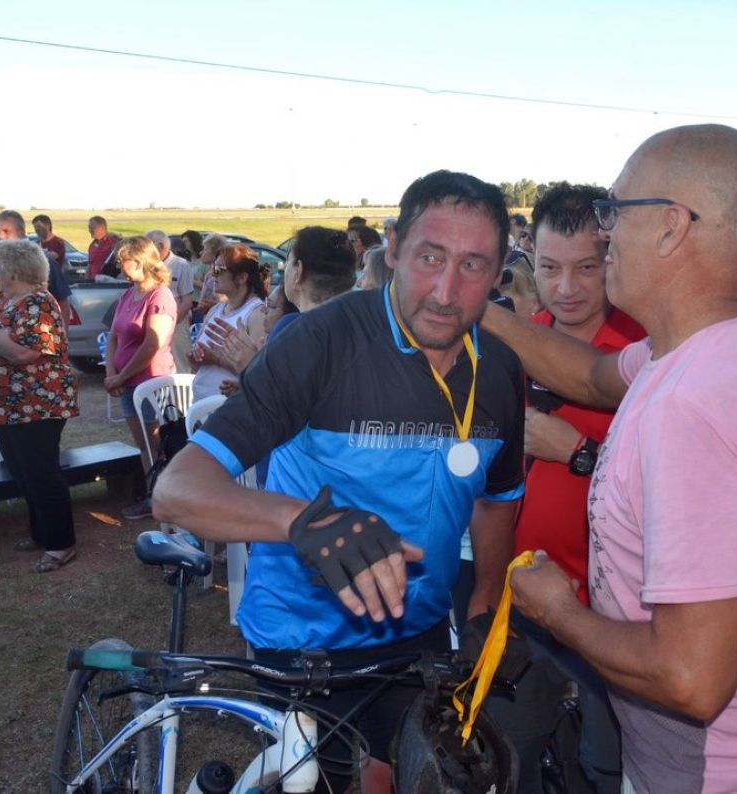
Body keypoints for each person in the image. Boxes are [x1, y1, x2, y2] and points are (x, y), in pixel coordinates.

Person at [481, 125, 737, 792]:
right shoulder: (735, 333)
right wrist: (487, 314)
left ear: (672, 227)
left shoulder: (691, 406)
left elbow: (691, 677)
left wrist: (558, 610)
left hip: (717, 770)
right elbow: (592, 377)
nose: (605, 232)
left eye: (616, 210)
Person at [154, 170, 525, 793]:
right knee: (315, 782)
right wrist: (306, 523)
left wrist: (485, 600)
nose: (445, 291)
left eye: (472, 265)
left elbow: (497, 497)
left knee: (415, 775)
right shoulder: (320, 341)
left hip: (418, 634)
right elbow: (177, 491)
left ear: (499, 270)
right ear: (393, 246)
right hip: (301, 636)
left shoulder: (500, 371)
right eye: (430, 257)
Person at [491, 182, 643, 793]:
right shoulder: (515, 343)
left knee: (606, 769)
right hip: (518, 598)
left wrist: (579, 453)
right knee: (515, 758)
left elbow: (673, 490)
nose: (567, 287)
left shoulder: (643, 353)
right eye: (550, 268)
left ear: (614, 258)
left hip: (611, 616)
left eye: (587, 267)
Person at [0, 239, 78, 572]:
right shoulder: (2, 302)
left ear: (16, 270)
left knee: (41, 472)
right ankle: (41, 533)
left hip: (36, 403)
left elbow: (23, 353)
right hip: (5, 405)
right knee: (22, 472)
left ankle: (61, 543)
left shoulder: (40, 303)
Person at [103, 236, 177, 521]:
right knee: (143, 443)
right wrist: (112, 374)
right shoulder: (128, 294)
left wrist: (121, 375)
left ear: (140, 260)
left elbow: (151, 345)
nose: (119, 266)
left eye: (123, 261)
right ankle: (152, 497)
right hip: (128, 384)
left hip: (151, 383)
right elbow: (113, 336)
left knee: (158, 444)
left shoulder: (160, 296)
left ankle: (166, 500)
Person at [189, 244, 268, 399]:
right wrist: (195, 357)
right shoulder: (216, 309)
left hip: (229, 406)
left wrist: (217, 359)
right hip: (201, 403)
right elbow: (196, 366)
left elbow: (258, 372)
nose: (212, 273)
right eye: (212, 267)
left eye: (219, 269)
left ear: (242, 278)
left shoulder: (257, 314)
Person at [0, 210, 72, 322]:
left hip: (40, 328)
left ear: (21, 233)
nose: (0, 236)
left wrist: (64, 332)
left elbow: (63, 305)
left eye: (6, 231)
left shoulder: (45, 263)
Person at [146, 230, 195, 373]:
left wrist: (170, 325)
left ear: (161, 246)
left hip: (177, 325)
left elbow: (187, 301)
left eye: (148, 246)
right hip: (152, 324)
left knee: (180, 365)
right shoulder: (146, 266)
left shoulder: (181, 265)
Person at [87, 215, 121, 280]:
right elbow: (90, 265)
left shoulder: (113, 241)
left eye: (92, 227)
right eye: (89, 227)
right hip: (93, 282)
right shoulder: (92, 245)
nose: (89, 230)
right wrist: (86, 280)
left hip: (107, 282)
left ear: (101, 228)